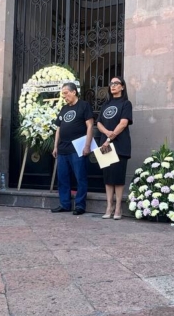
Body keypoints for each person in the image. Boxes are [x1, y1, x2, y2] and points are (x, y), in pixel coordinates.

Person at [51, 82, 93, 216]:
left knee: (80, 177)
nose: (64, 96)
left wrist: (87, 145)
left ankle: (80, 205)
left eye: (66, 93)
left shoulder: (84, 106)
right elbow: (58, 128)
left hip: (78, 148)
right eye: (63, 94)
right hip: (63, 149)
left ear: (74, 92)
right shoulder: (64, 108)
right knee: (62, 178)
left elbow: (90, 126)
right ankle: (65, 204)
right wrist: (55, 146)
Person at [97, 76, 132, 220]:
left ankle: (118, 208)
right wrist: (106, 134)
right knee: (108, 177)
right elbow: (98, 123)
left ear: (122, 87)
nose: (113, 86)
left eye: (116, 83)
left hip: (119, 144)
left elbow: (123, 123)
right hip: (105, 143)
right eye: (111, 83)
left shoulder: (126, 103)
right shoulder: (106, 104)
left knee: (117, 177)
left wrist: (110, 138)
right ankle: (108, 207)